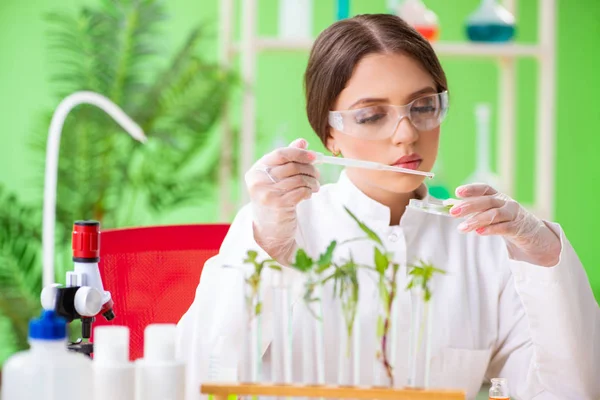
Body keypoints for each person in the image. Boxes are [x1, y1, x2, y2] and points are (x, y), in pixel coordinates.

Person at [177, 14, 600, 400]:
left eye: (422, 107)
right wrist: (266, 246)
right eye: (371, 115)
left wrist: (544, 253)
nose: (406, 134)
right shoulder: (281, 229)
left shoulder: (483, 243)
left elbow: (568, 391)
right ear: (329, 134)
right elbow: (196, 379)